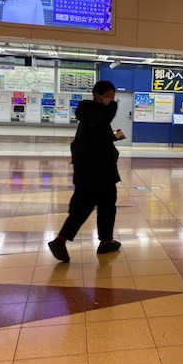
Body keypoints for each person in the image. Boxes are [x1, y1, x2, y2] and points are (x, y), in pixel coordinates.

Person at [48, 80, 126, 261]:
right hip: (97, 172)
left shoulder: (91, 112)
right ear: (97, 95)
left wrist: (112, 136)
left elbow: (98, 135)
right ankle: (62, 241)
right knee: (94, 207)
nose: (111, 99)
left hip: (93, 171)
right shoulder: (96, 112)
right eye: (107, 96)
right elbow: (98, 128)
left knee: (96, 207)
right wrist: (111, 108)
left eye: (113, 96)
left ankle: (103, 241)